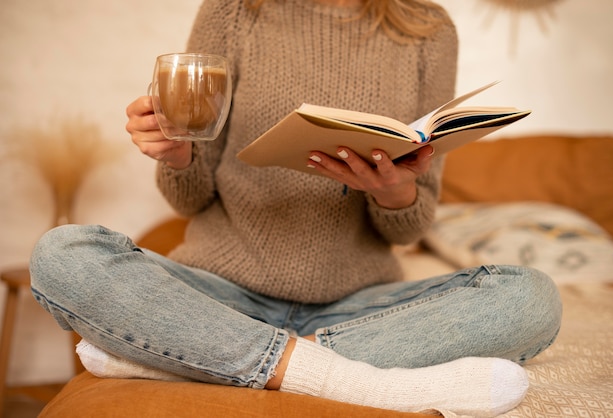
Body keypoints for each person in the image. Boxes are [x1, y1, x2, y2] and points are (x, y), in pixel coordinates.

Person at [29, 0, 562, 416]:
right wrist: (178, 152)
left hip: (358, 306)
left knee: (530, 298)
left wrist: (392, 190)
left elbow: (410, 226)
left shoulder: (430, 29)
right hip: (218, 293)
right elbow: (188, 197)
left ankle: (190, 356)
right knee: (63, 253)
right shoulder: (235, 12)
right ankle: (351, 380)